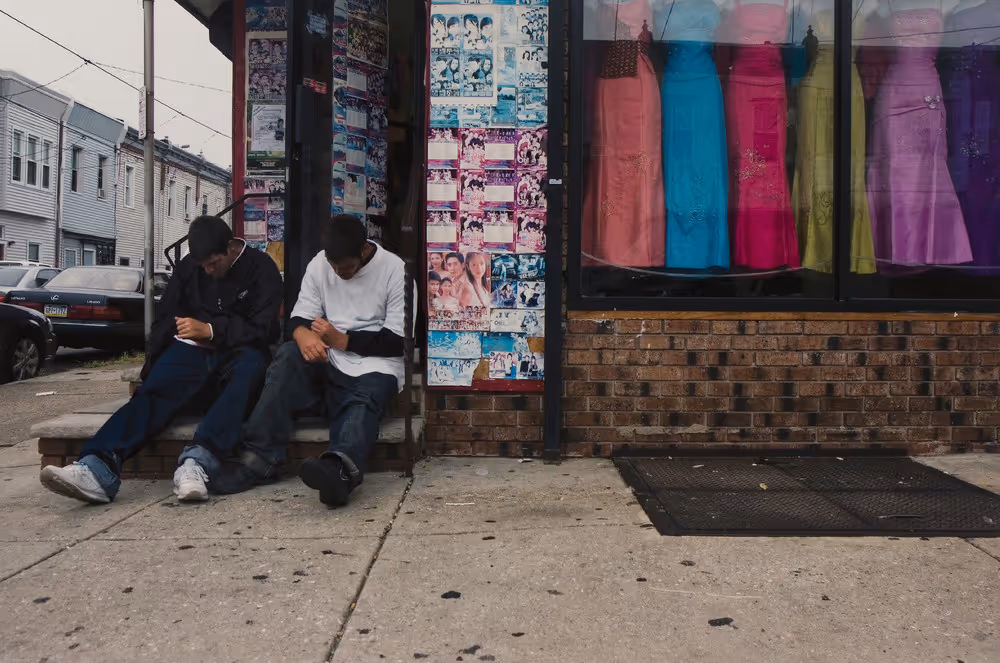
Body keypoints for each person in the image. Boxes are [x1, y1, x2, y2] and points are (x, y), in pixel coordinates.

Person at [39, 216, 283, 504]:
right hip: (191, 352)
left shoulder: (261, 267)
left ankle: (197, 464)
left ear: (230, 247)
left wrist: (212, 330)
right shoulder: (190, 267)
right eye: (203, 265)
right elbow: (166, 317)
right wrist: (152, 366)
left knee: (249, 371)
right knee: (152, 393)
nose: (208, 270)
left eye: (214, 263)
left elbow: (266, 329)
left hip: (240, 355)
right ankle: (96, 467)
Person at [214, 215, 411, 506]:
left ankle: (339, 470)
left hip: (375, 364)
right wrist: (302, 334)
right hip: (328, 358)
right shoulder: (320, 264)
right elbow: (298, 318)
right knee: (287, 357)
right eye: (334, 266)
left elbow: (398, 340)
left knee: (363, 402)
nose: (338, 273)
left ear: (364, 251)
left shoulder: (395, 270)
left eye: (346, 268)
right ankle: (258, 458)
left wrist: (344, 340)